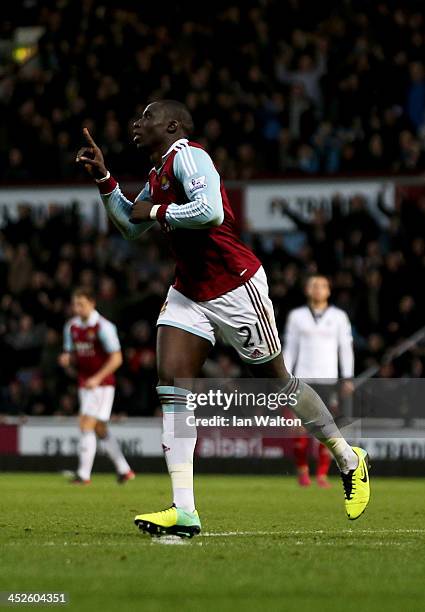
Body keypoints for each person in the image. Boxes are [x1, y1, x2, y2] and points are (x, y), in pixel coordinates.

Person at [76, 100, 370, 537]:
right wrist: (104, 178)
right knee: (173, 387)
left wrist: (156, 212)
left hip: (236, 287)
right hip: (190, 292)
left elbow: (208, 211)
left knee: (278, 382)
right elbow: (129, 225)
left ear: (172, 126)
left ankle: (348, 458)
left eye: (147, 117)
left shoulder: (190, 156)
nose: (137, 123)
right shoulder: (158, 174)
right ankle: (184, 510)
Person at [59, 288, 135, 485]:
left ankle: (83, 475)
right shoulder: (71, 326)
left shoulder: (104, 327)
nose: (77, 308)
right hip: (84, 383)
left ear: (92, 303)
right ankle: (124, 470)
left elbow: (117, 358)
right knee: (99, 428)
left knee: (85, 423)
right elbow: (70, 352)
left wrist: (97, 378)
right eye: (75, 304)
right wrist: (67, 358)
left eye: (81, 304)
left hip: (101, 385)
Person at [284, 275, 354, 488]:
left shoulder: (339, 317)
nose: (318, 289)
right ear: (307, 289)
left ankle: (322, 474)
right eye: (314, 285)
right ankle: (303, 472)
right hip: (302, 379)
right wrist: (284, 378)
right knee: (300, 427)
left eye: (322, 285)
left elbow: (345, 348)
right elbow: (290, 348)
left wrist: (348, 377)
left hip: (328, 380)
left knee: (328, 428)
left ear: (329, 291)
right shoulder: (297, 316)